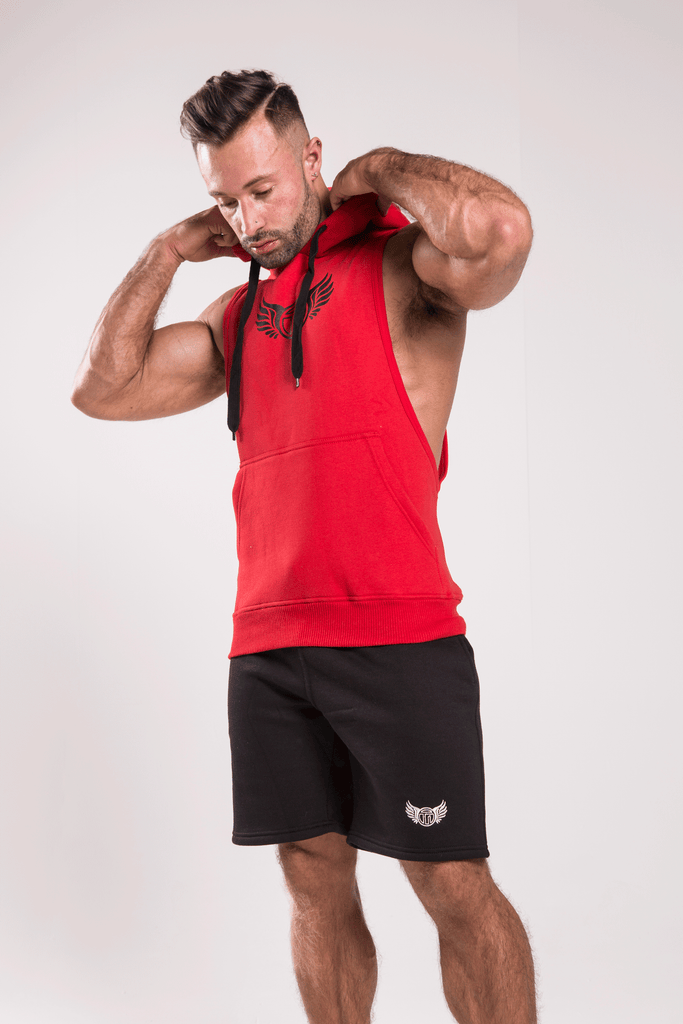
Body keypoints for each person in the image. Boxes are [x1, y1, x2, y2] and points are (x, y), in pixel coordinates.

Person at [72, 69, 535, 1024]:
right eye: (224, 201)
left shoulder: (405, 270)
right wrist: (167, 250)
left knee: (451, 882)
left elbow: (499, 231)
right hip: (269, 650)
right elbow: (103, 389)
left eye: (262, 189)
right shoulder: (237, 317)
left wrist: (384, 167)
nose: (246, 222)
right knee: (312, 881)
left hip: (398, 639)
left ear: (311, 156)